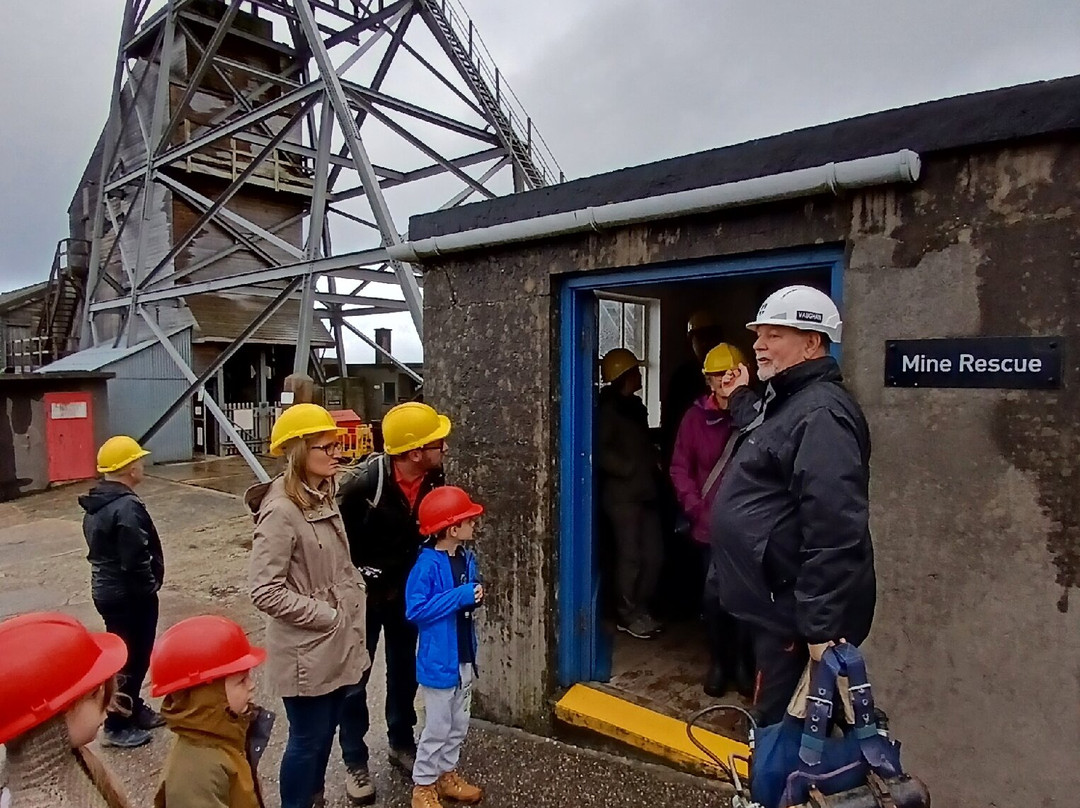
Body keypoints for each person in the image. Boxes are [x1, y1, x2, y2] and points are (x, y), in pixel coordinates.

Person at [711, 285, 876, 726]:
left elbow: (836, 525)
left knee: (786, 730)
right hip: (774, 608)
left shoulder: (822, 413)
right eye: (759, 334)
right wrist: (742, 397)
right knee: (777, 721)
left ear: (811, 342)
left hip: (794, 618)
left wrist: (820, 629)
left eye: (774, 335)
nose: (759, 345)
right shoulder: (790, 400)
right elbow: (768, 434)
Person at [247, 404, 370, 808]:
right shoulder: (281, 510)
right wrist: (329, 616)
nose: (338, 453)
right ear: (300, 451)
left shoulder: (321, 494)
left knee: (325, 733)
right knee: (306, 740)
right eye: (326, 447)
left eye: (337, 445)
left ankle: (313, 799)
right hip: (308, 648)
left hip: (333, 642)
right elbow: (265, 590)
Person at [336, 401, 450, 805]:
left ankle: (401, 741)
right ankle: (354, 760)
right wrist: (360, 582)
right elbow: (335, 547)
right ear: (415, 451)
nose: (445, 446)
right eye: (438, 441)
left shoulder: (435, 481)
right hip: (362, 599)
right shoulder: (360, 487)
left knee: (404, 672)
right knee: (355, 679)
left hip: (407, 597)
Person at [669, 342, 755, 698]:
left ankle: (745, 667)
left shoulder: (757, 415)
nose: (722, 383)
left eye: (728, 375)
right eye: (716, 376)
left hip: (748, 530)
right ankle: (720, 664)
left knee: (748, 604)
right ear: (708, 380)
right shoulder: (694, 419)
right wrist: (694, 507)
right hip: (709, 528)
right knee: (714, 600)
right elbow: (679, 467)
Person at [79, 434, 165, 748]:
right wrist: (150, 588)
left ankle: (131, 707)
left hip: (109, 591)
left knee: (130, 655)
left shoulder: (98, 502)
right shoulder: (126, 506)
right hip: (129, 596)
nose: (142, 466)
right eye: (139, 461)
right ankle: (116, 723)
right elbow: (135, 558)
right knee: (132, 658)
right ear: (129, 468)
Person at [0, 611, 134, 808]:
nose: (106, 712)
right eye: (94, 695)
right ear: (54, 714)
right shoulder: (47, 802)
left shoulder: (64, 761)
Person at [405, 486, 486, 808]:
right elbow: (415, 610)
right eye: (468, 520)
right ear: (452, 528)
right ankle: (423, 785)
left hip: (463, 656)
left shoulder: (466, 558)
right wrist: (462, 597)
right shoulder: (426, 565)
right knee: (437, 726)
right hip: (439, 661)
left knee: (458, 723)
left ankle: (446, 774)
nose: (474, 525)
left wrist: (472, 596)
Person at [150, 615, 274, 808]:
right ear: (208, 697)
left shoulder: (219, 733)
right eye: (241, 681)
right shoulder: (196, 774)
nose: (252, 686)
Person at [596, 348, 663, 639]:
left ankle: (642, 607)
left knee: (654, 555)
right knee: (630, 557)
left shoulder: (635, 406)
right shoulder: (607, 411)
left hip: (645, 491)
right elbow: (599, 451)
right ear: (623, 376)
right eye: (634, 371)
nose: (639, 375)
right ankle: (627, 613)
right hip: (622, 497)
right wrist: (630, 468)